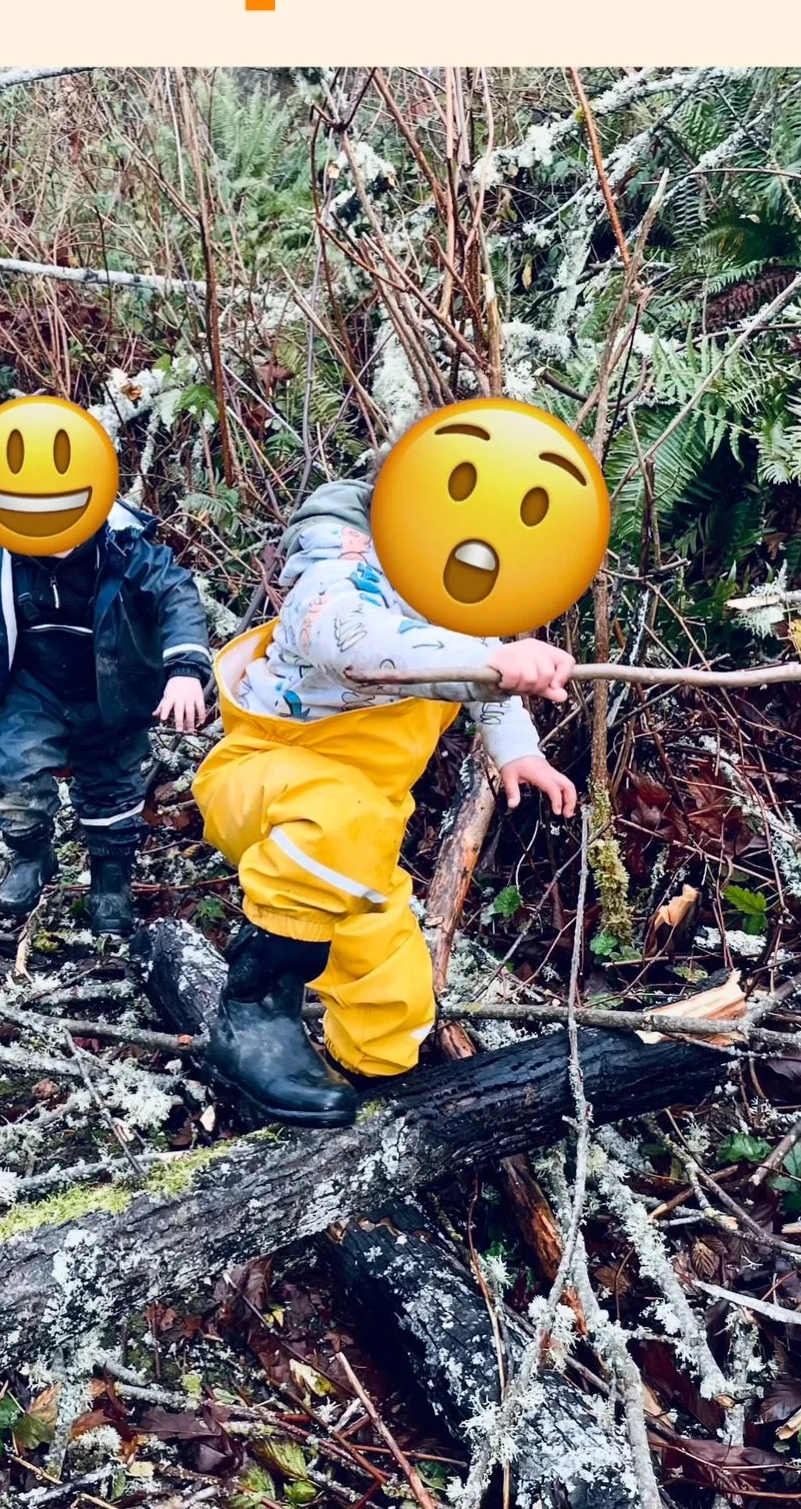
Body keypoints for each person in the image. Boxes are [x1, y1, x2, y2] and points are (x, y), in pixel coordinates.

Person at [191, 478, 578, 1128]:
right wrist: (497, 660)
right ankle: (253, 1011)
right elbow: (360, 646)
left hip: (358, 836)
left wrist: (518, 750)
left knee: (391, 988)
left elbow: (487, 673)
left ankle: (369, 1082)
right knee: (337, 812)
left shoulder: (455, 601)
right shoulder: (335, 579)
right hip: (266, 781)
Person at [0, 502, 212, 938]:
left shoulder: (126, 546)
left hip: (114, 686)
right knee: (9, 769)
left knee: (113, 785)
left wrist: (185, 670)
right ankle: (31, 854)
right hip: (36, 685)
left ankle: (111, 882)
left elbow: (175, 595)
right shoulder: (1, 548)